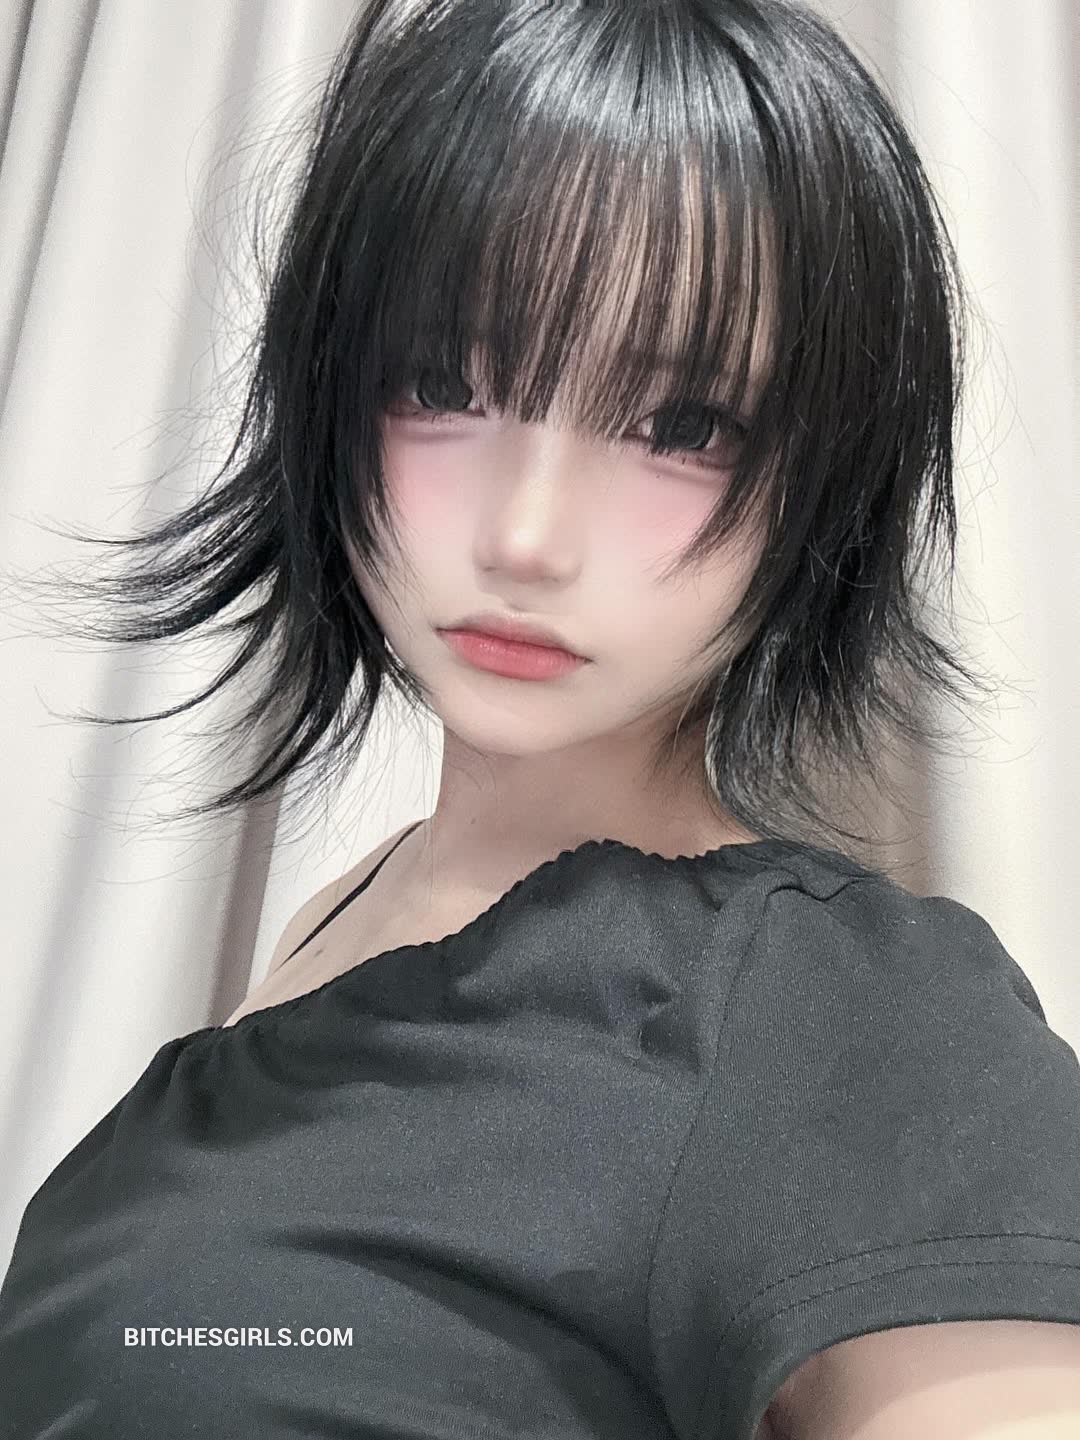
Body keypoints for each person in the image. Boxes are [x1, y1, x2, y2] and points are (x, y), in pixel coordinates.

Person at [1, 1, 1078, 1437]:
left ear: (829, 476)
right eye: (444, 383)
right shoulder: (341, 921)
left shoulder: (845, 1013)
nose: (525, 534)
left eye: (684, 426)